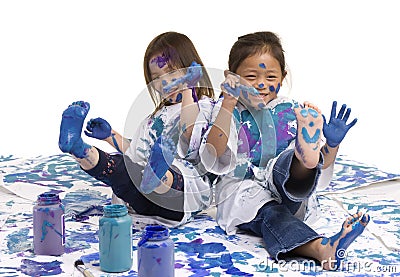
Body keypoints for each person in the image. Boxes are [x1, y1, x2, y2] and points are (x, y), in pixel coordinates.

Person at [199, 31, 369, 270]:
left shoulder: (291, 111)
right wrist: (228, 102)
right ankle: (322, 247)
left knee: (286, 163)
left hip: (290, 188)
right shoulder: (228, 112)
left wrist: (331, 145)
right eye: (250, 76)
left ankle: (305, 156)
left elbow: (322, 176)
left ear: (283, 76)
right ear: (232, 78)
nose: (261, 84)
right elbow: (213, 155)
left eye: (270, 77)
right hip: (247, 192)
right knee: (272, 214)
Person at [58, 31, 216, 226]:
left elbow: (190, 135)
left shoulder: (206, 107)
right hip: (143, 198)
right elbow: (137, 153)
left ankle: (158, 175)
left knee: (168, 173)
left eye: (172, 72)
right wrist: (110, 136)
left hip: (181, 197)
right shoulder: (153, 120)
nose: (165, 82)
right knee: (121, 168)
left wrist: (187, 89)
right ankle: (78, 147)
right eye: (156, 77)